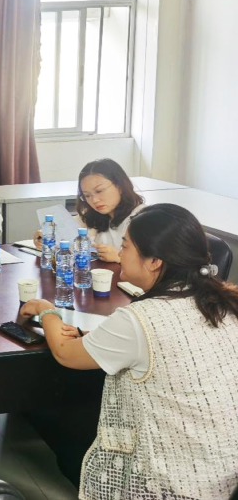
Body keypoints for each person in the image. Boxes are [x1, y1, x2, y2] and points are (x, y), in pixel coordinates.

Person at [20, 204, 238, 499]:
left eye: (125, 246)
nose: (120, 253)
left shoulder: (142, 318)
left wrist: (47, 310)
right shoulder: (223, 301)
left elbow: (65, 353)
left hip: (177, 479)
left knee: (68, 420)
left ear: (154, 261)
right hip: (226, 469)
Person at [34, 158, 144, 263]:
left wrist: (120, 258)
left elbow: (151, 265)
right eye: (87, 195)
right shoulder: (92, 215)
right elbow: (65, 230)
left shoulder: (142, 219)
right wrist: (45, 236)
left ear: (120, 186)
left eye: (99, 191)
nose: (94, 200)